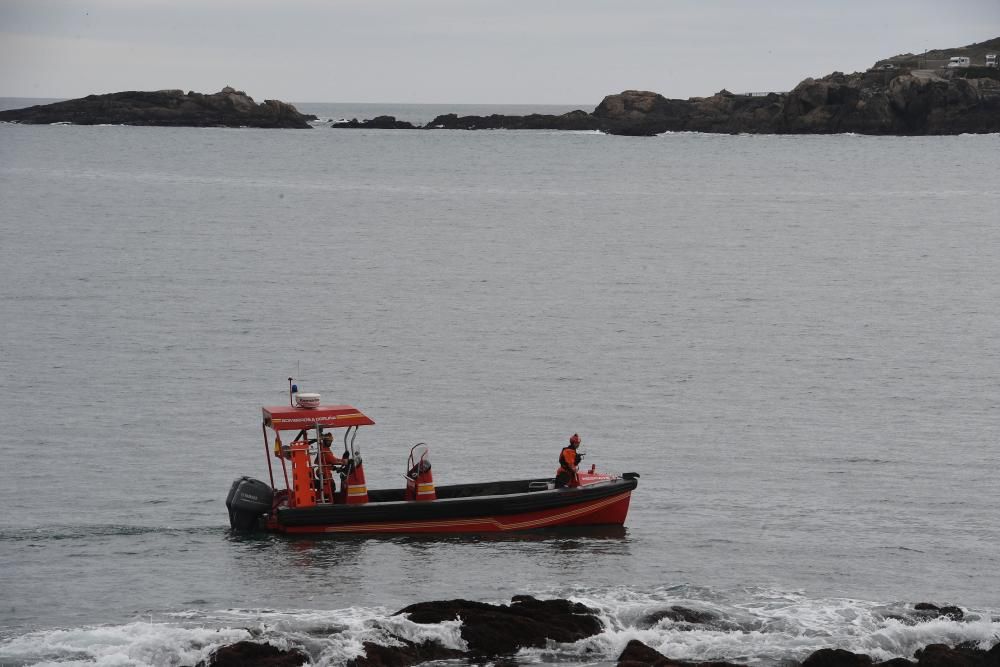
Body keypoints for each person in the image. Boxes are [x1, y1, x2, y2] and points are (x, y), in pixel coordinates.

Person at [317, 433, 346, 501]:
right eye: (328, 441)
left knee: (330, 485)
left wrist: (335, 468)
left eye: (331, 441)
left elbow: (328, 462)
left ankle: (328, 498)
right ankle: (329, 500)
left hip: (325, 469)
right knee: (331, 485)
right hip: (324, 471)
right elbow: (333, 460)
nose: (330, 442)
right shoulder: (325, 451)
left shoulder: (325, 449)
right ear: (324, 441)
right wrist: (345, 461)